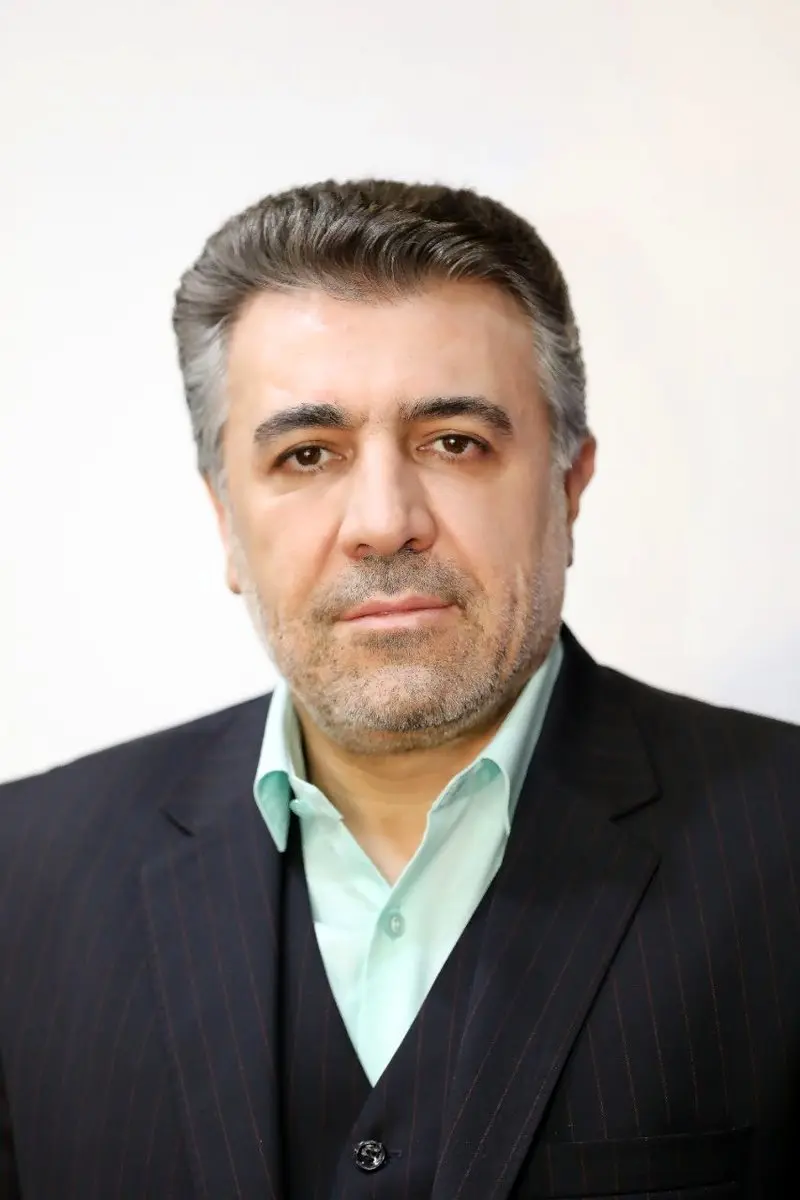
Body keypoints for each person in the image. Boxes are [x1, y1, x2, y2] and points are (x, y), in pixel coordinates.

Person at [1, 179, 798, 1200]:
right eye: (307, 454)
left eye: (454, 442)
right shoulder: (19, 879)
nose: (384, 521)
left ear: (568, 488)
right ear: (225, 523)